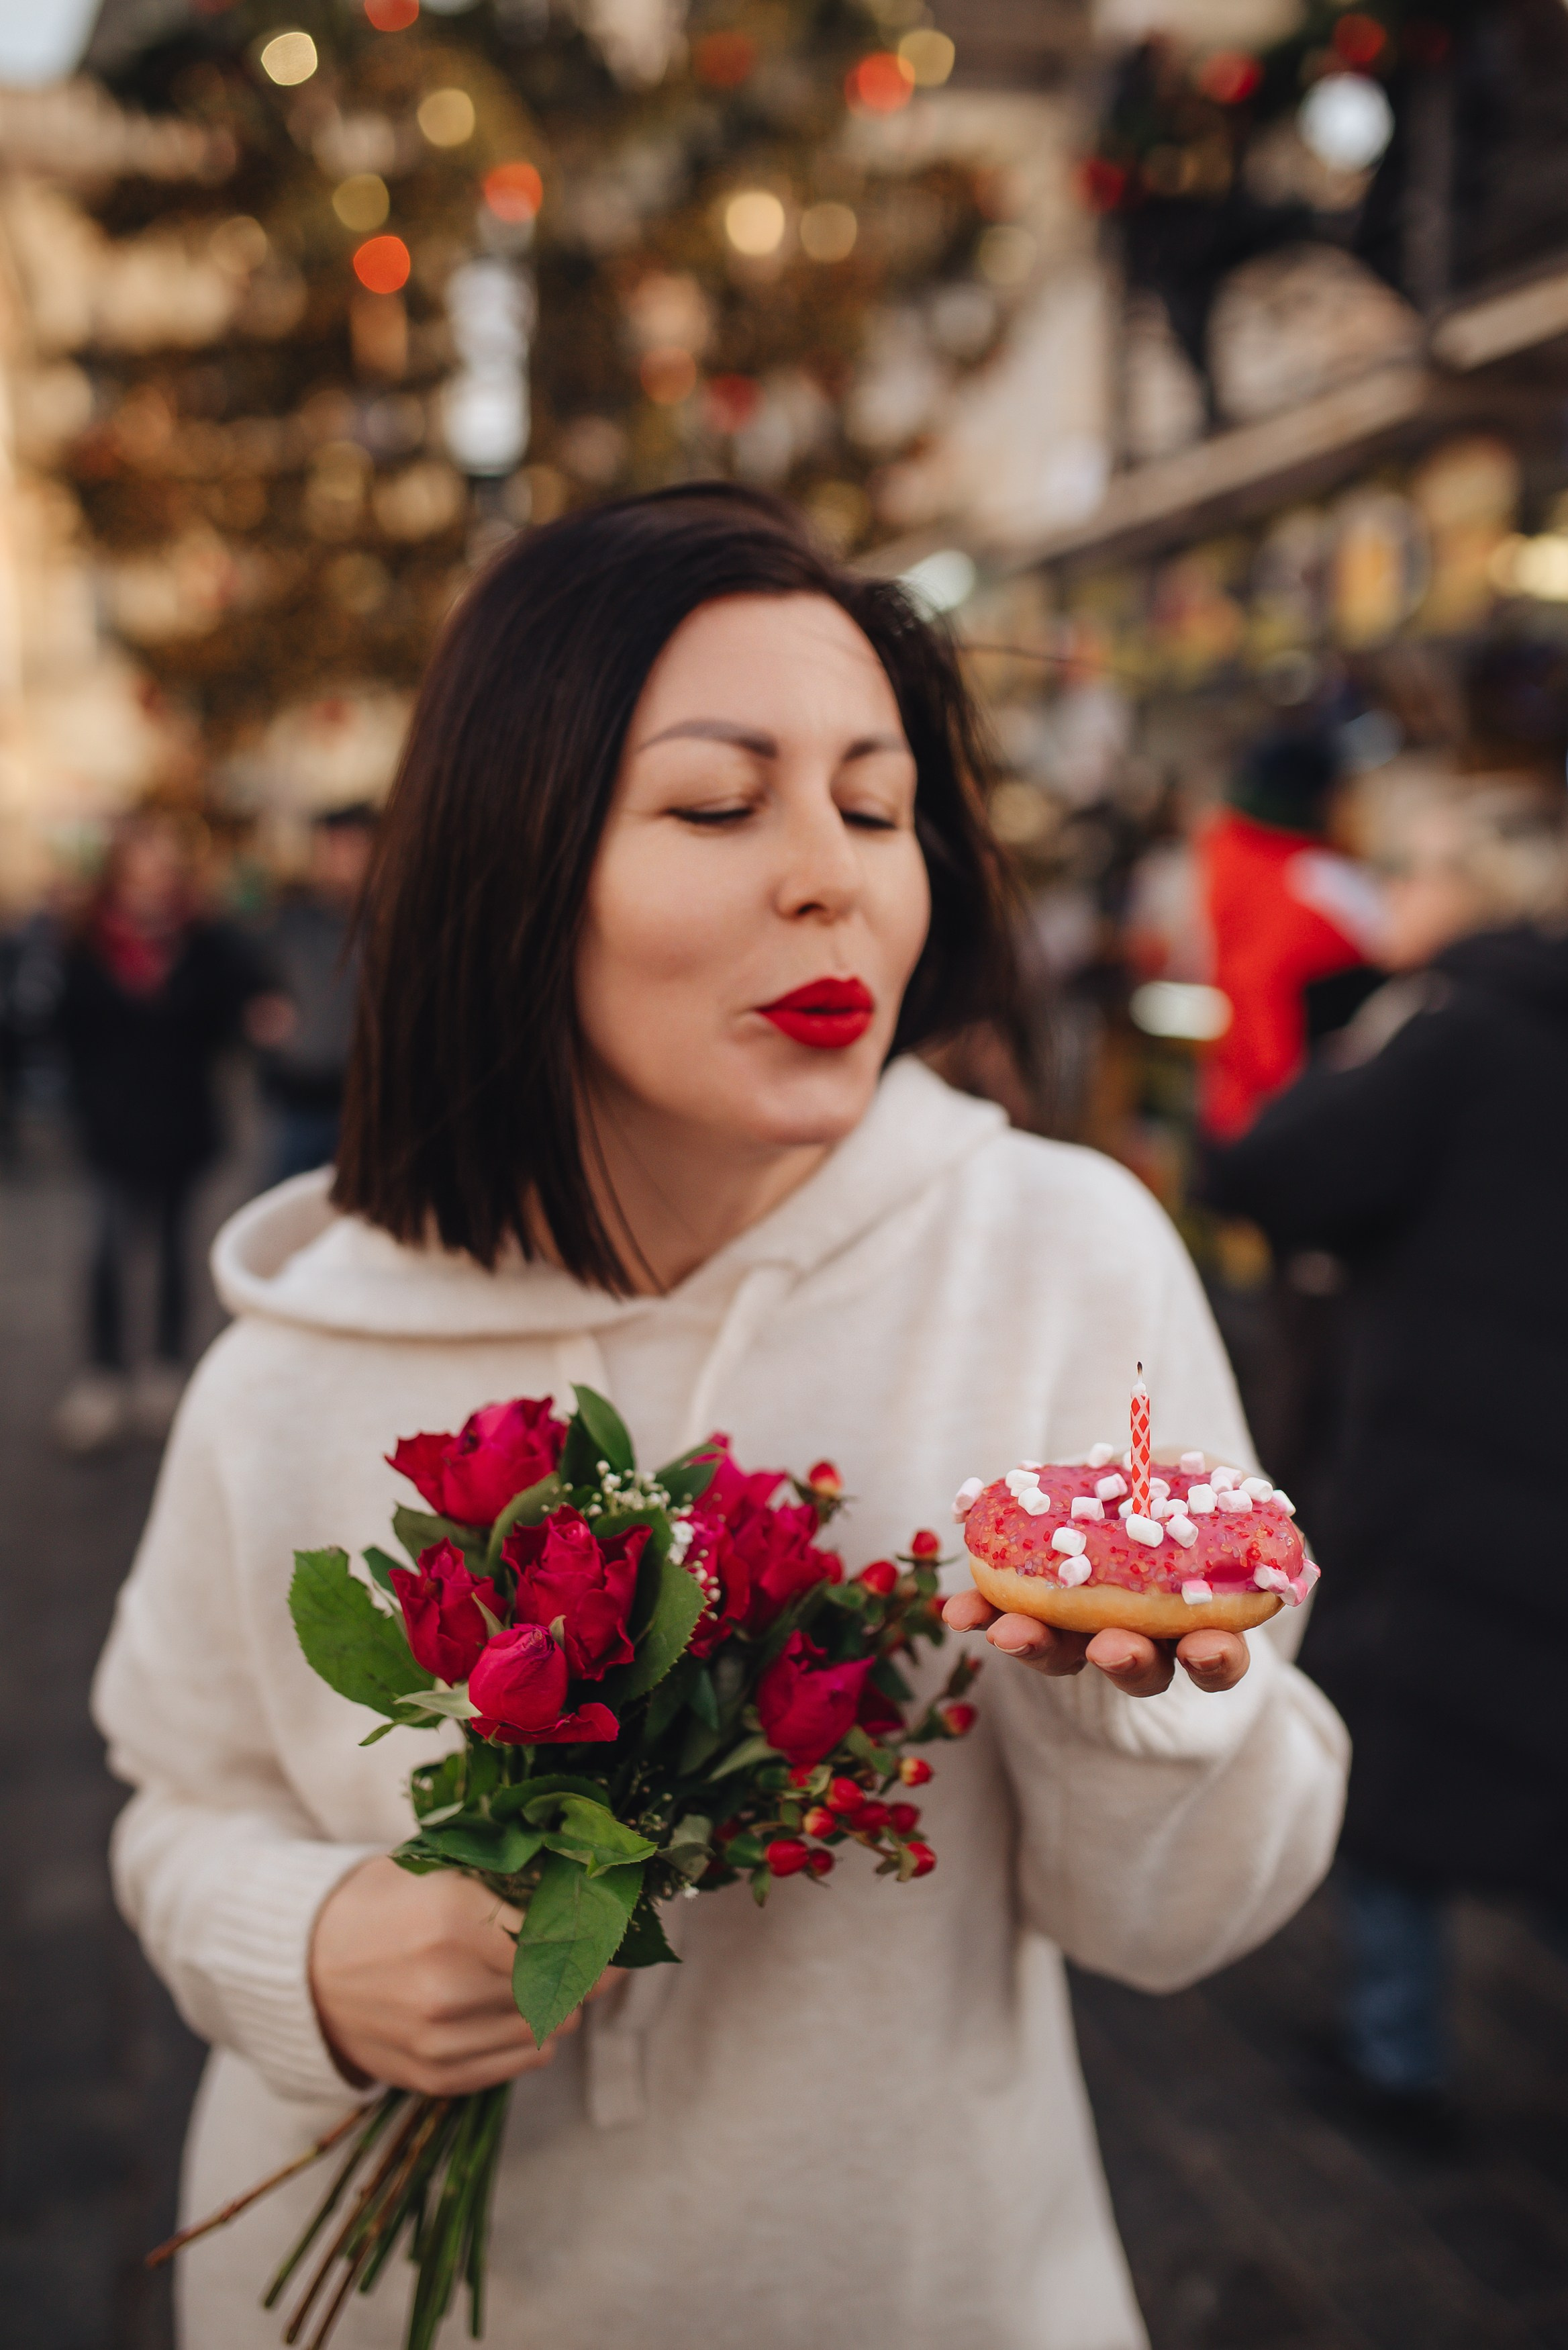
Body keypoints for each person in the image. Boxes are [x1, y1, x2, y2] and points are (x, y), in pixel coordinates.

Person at [93, 487, 1346, 2350]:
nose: (832, 879)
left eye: (876, 806)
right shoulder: (303, 1350)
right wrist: (309, 1949)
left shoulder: (1057, 1264)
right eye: (714, 804)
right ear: (513, 862)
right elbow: (177, 1800)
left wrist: (1138, 1707)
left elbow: (1174, 1925)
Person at [1205, 774, 1568, 2130]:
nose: (1384, 897)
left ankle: (1395, 2053)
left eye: (1407, 870)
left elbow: (1271, 1169)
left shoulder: (1447, 1027)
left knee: (1405, 1739)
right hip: (1529, 1453)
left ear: (1467, 891)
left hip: (1447, 1450)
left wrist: (1349, 1039)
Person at [52, 811, 264, 1452]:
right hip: (111, 1128)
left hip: (181, 1123)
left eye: (164, 870)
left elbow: (235, 1015)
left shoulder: (207, 942)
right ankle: (104, 1373)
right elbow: (65, 1030)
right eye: (142, 869)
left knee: (176, 1248)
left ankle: (166, 1368)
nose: (153, 882)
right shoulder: (84, 943)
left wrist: (260, 1019)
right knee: (108, 1249)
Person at [1197, 725, 1385, 1144]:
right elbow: (1401, 944)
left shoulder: (1222, 853)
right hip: (1296, 1101)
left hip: (1232, 1094)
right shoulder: (1321, 880)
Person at [247, 802, 378, 1185]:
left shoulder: (394, 923)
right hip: (300, 1094)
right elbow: (253, 987)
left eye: (351, 848)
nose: (340, 862)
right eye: (331, 848)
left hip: (370, 1098)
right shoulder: (286, 920)